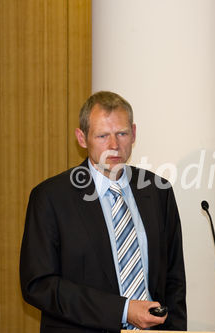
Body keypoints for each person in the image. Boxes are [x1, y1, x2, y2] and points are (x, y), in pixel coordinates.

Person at [20, 91, 187, 332]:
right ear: (81, 138)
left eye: (122, 133)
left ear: (134, 134)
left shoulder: (158, 191)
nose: (114, 146)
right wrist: (123, 310)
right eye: (102, 136)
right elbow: (39, 284)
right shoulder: (50, 198)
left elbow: (174, 280)